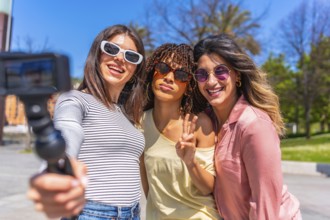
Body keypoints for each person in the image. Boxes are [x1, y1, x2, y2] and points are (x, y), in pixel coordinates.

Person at [28, 24, 146, 219]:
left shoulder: (126, 112)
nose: (119, 58)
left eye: (131, 56)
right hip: (92, 213)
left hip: (133, 212)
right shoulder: (75, 99)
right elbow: (67, 130)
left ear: (136, 68)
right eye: (112, 49)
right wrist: (56, 170)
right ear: (97, 54)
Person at [192, 34, 302, 219]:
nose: (211, 81)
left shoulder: (254, 125)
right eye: (202, 74)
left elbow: (265, 204)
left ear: (237, 75)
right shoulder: (207, 123)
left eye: (221, 71)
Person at [140, 43, 222, 219]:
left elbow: (208, 188)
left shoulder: (199, 124)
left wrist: (190, 162)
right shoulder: (140, 123)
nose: (169, 78)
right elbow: (149, 189)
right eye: (162, 68)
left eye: (181, 74)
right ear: (151, 73)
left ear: (189, 86)